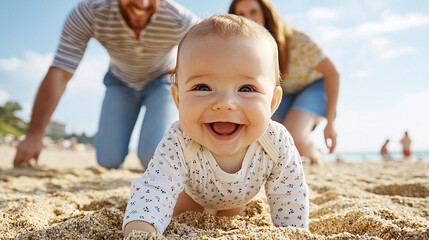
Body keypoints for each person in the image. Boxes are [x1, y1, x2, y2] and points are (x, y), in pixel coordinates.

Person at [123, 15, 309, 237]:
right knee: (180, 212)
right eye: (203, 87)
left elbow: (291, 196)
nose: (224, 104)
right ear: (178, 98)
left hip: (239, 196)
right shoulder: (180, 140)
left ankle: (226, 209)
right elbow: (155, 190)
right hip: (192, 193)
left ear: (272, 102)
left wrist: (293, 233)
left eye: (246, 89)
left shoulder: (276, 141)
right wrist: (140, 231)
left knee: (230, 213)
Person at [12, 0, 199, 169]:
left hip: (161, 82)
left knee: (153, 156)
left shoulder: (179, 19)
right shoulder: (89, 12)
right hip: (120, 82)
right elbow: (61, 72)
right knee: (108, 160)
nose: (142, 4)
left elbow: (210, 53)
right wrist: (34, 135)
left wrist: (180, 71)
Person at [229, 0, 340, 164]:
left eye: (253, 12)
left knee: (294, 139)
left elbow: (333, 72)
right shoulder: (246, 49)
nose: (248, 19)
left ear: (265, 13)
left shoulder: (296, 40)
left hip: (316, 87)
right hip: (285, 92)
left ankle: (315, 154)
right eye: (241, 15)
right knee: (270, 138)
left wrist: (330, 123)